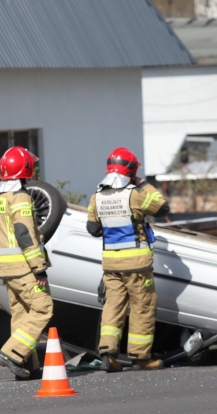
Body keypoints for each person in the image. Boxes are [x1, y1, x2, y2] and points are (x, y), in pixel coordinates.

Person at [87, 147, 170, 372]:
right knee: (142, 306)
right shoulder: (136, 194)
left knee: (113, 305)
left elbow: (92, 229)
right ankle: (140, 356)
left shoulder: (97, 196)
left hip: (111, 264)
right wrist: (143, 184)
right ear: (131, 170)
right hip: (137, 264)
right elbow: (163, 207)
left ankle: (108, 352)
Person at [0, 146, 53, 379]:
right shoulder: (21, 197)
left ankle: (27, 366)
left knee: (22, 314)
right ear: (25, 169)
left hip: (7, 268)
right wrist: (39, 266)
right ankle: (12, 353)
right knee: (42, 309)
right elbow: (24, 234)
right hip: (25, 267)